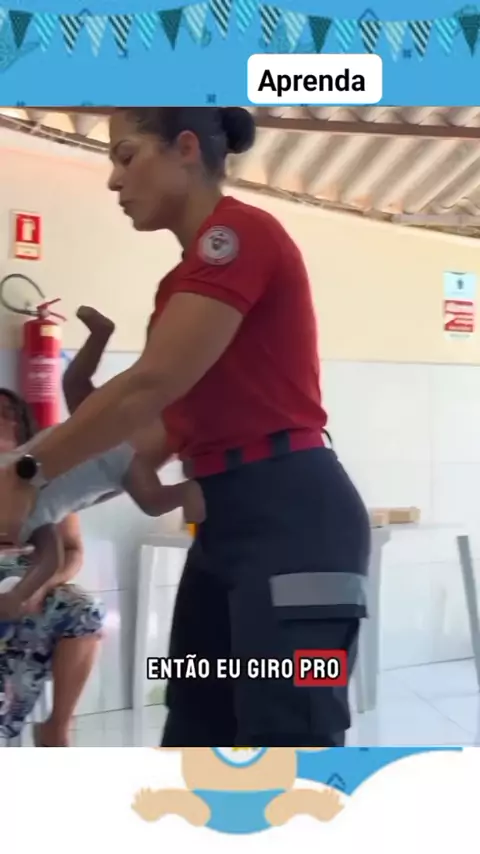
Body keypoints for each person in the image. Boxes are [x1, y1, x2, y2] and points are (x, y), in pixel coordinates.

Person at [0, 107, 371, 747]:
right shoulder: (180, 286)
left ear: (187, 148)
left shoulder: (238, 234)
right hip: (224, 525)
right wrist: (59, 472)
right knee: (196, 731)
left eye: (126, 156)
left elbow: (152, 383)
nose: (114, 180)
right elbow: (150, 433)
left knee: (289, 744)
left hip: (293, 518)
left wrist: (29, 473)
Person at [0, 389, 104, 747]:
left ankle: (57, 727)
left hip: (33, 581)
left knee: (83, 608)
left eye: (10, 413)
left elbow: (72, 551)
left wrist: (37, 587)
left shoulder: (45, 477)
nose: (4, 419)